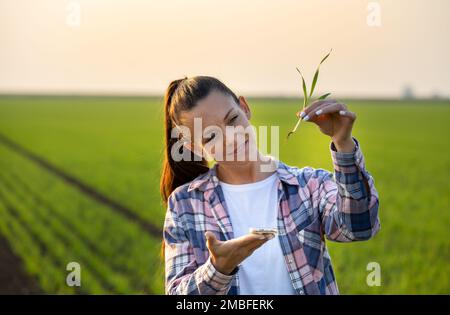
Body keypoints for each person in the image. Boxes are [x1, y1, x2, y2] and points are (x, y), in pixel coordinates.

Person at [160, 76, 380, 295]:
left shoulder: (307, 186)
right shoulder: (184, 204)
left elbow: (359, 227)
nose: (231, 138)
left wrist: (343, 143)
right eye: (211, 137)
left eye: (232, 120)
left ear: (244, 108)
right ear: (194, 147)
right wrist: (218, 269)